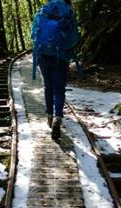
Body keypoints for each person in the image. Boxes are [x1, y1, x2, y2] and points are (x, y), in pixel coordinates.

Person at [31, 0, 80, 139]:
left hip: (43, 55)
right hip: (61, 57)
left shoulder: (43, 10)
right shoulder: (69, 12)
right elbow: (74, 38)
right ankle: (58, 119)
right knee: (59, 90)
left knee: (48, 87)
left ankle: (49, 115)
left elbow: (33, 34)